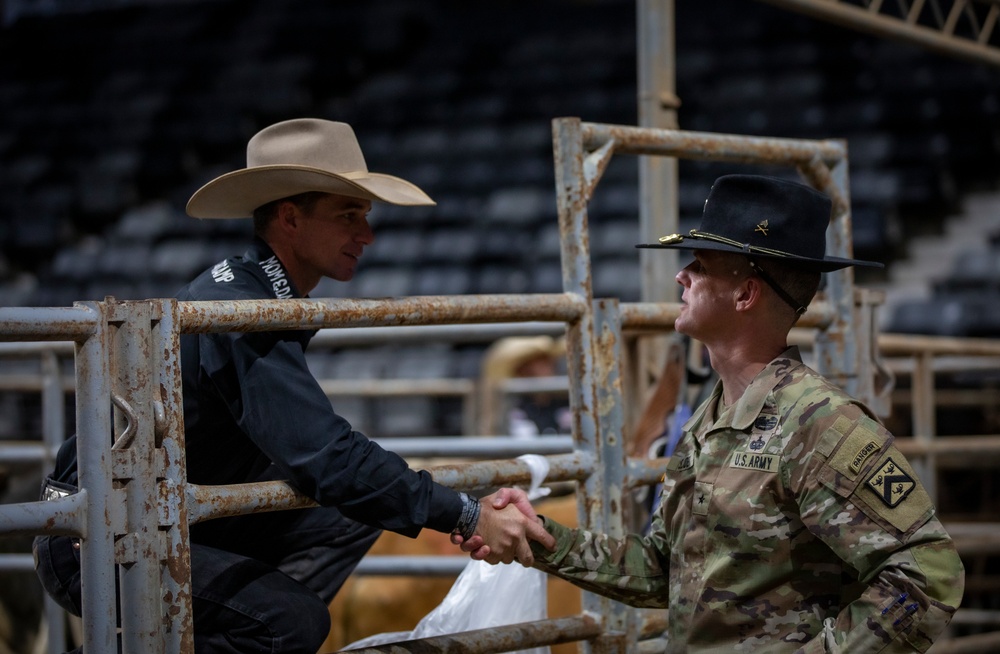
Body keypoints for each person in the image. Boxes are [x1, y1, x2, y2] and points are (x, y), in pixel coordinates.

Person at [33, 118, 554, 654]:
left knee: (339, 529)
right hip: (97, 533)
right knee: (288, 623)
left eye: (365, 216)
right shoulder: (244, 307)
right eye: (348, 214)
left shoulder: (253, 291)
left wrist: (452, 508)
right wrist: (466, 513)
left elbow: (319, 457)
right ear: (290, 219)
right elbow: (322, 454)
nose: (367, 234)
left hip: (152, 514)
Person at [462, 175, 965, 652]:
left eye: (700, 265)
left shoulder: (822, 424)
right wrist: (543, 538)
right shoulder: (710, 419)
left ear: (746, 294)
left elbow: (928, 570)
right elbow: (663, 570)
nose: (681, 274)